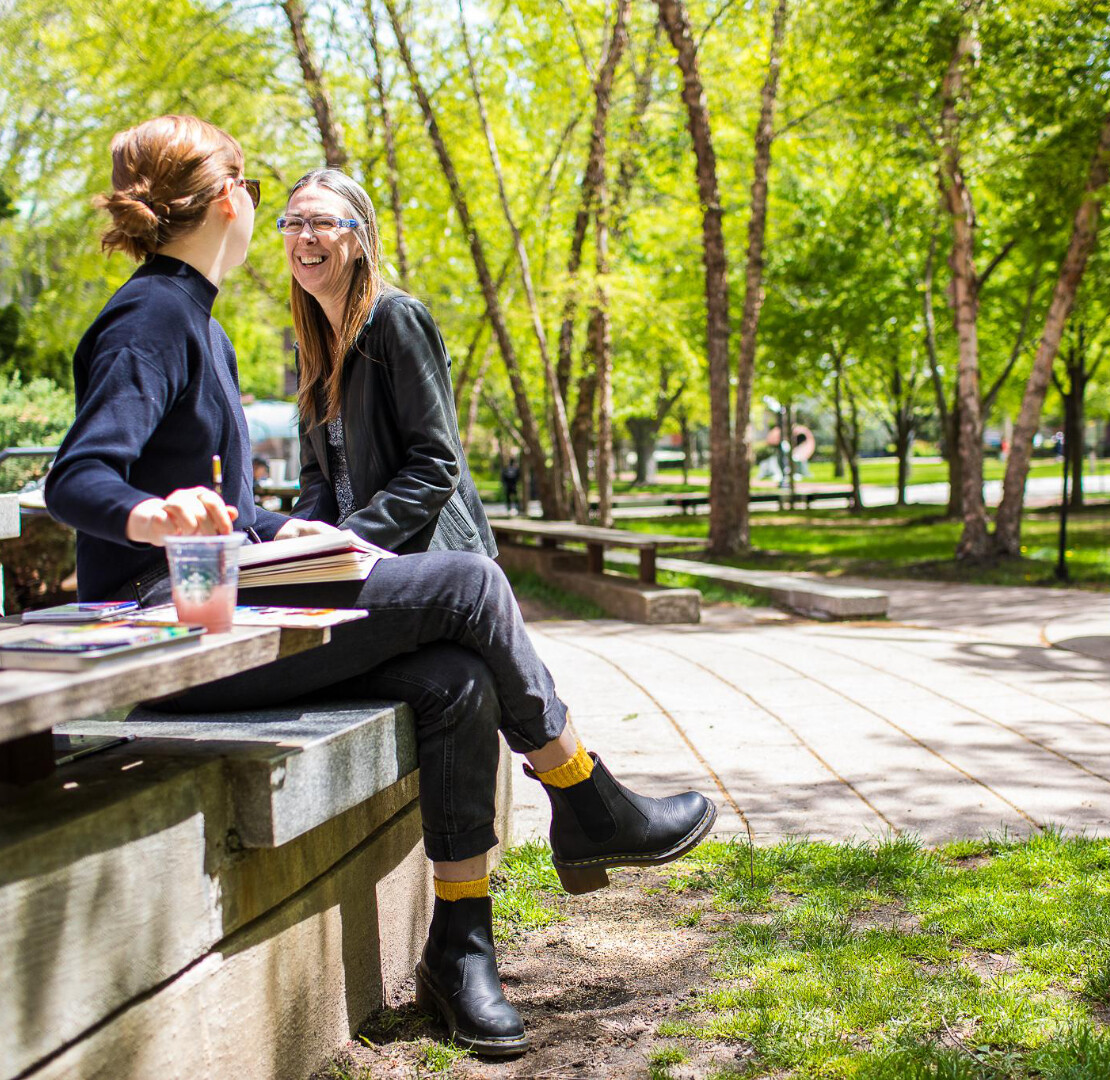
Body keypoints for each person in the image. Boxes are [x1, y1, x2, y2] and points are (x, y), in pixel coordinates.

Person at [44, 115, 715, 1059]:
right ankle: (587, 797)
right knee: (473, 587)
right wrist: (154, 519)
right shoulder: (152, 317)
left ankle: (460, 944)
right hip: (174, 633)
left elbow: (230, 510)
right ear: (233, 203)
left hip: (218, 610)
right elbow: (78, 478)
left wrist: (294, 532)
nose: (288, 228)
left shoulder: (200, 321)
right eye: (270, 205)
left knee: (455, 681)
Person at [280, 168, 497, 556]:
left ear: (361, 242)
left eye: (323, 222)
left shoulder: (398, 320)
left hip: (429, 558)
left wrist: (352, 536)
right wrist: (300, 540)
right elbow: (318, 476)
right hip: (355, 559)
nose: (305, 236)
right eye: (293, 223)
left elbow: (436, 465)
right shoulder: (310, 347)